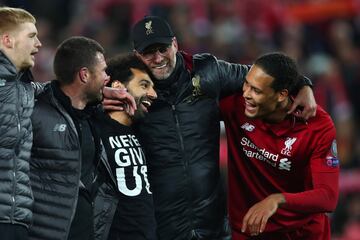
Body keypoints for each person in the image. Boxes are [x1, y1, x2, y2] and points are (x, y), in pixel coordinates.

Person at [124, 15, 317, 240]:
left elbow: (261, 78)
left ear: (175, 44)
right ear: (137, 56)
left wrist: (303, 84)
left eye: (163, 48)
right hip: (162, 229)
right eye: (149, 52)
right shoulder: (125, 91)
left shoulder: (207, 72)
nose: (158, 58)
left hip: (213, 226)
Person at [220, 52, 339, 239]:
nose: (246, 94)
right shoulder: (235, 106)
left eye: (256, 91)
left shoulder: (317, 125)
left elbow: (328, 197)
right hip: (248, 230)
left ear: (282, 94)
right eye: (246, 84)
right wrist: (305, 84)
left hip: (302, 233)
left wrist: (277, 199)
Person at [29, 36, 129, 240]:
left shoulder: (92, 115)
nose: (107, 77)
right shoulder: (36, 113)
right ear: (84, 75)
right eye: (103, 71)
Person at [93, 53, 158, 240]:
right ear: (118, 86)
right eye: (144, 85)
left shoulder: (144, 132)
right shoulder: (91, 129)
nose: (154, 94)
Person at [0, 6, 41, 240]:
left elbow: (52, 91)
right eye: (32, 36)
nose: (39, 45)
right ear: (8, 40)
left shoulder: (24, 88)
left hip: (17, 219)